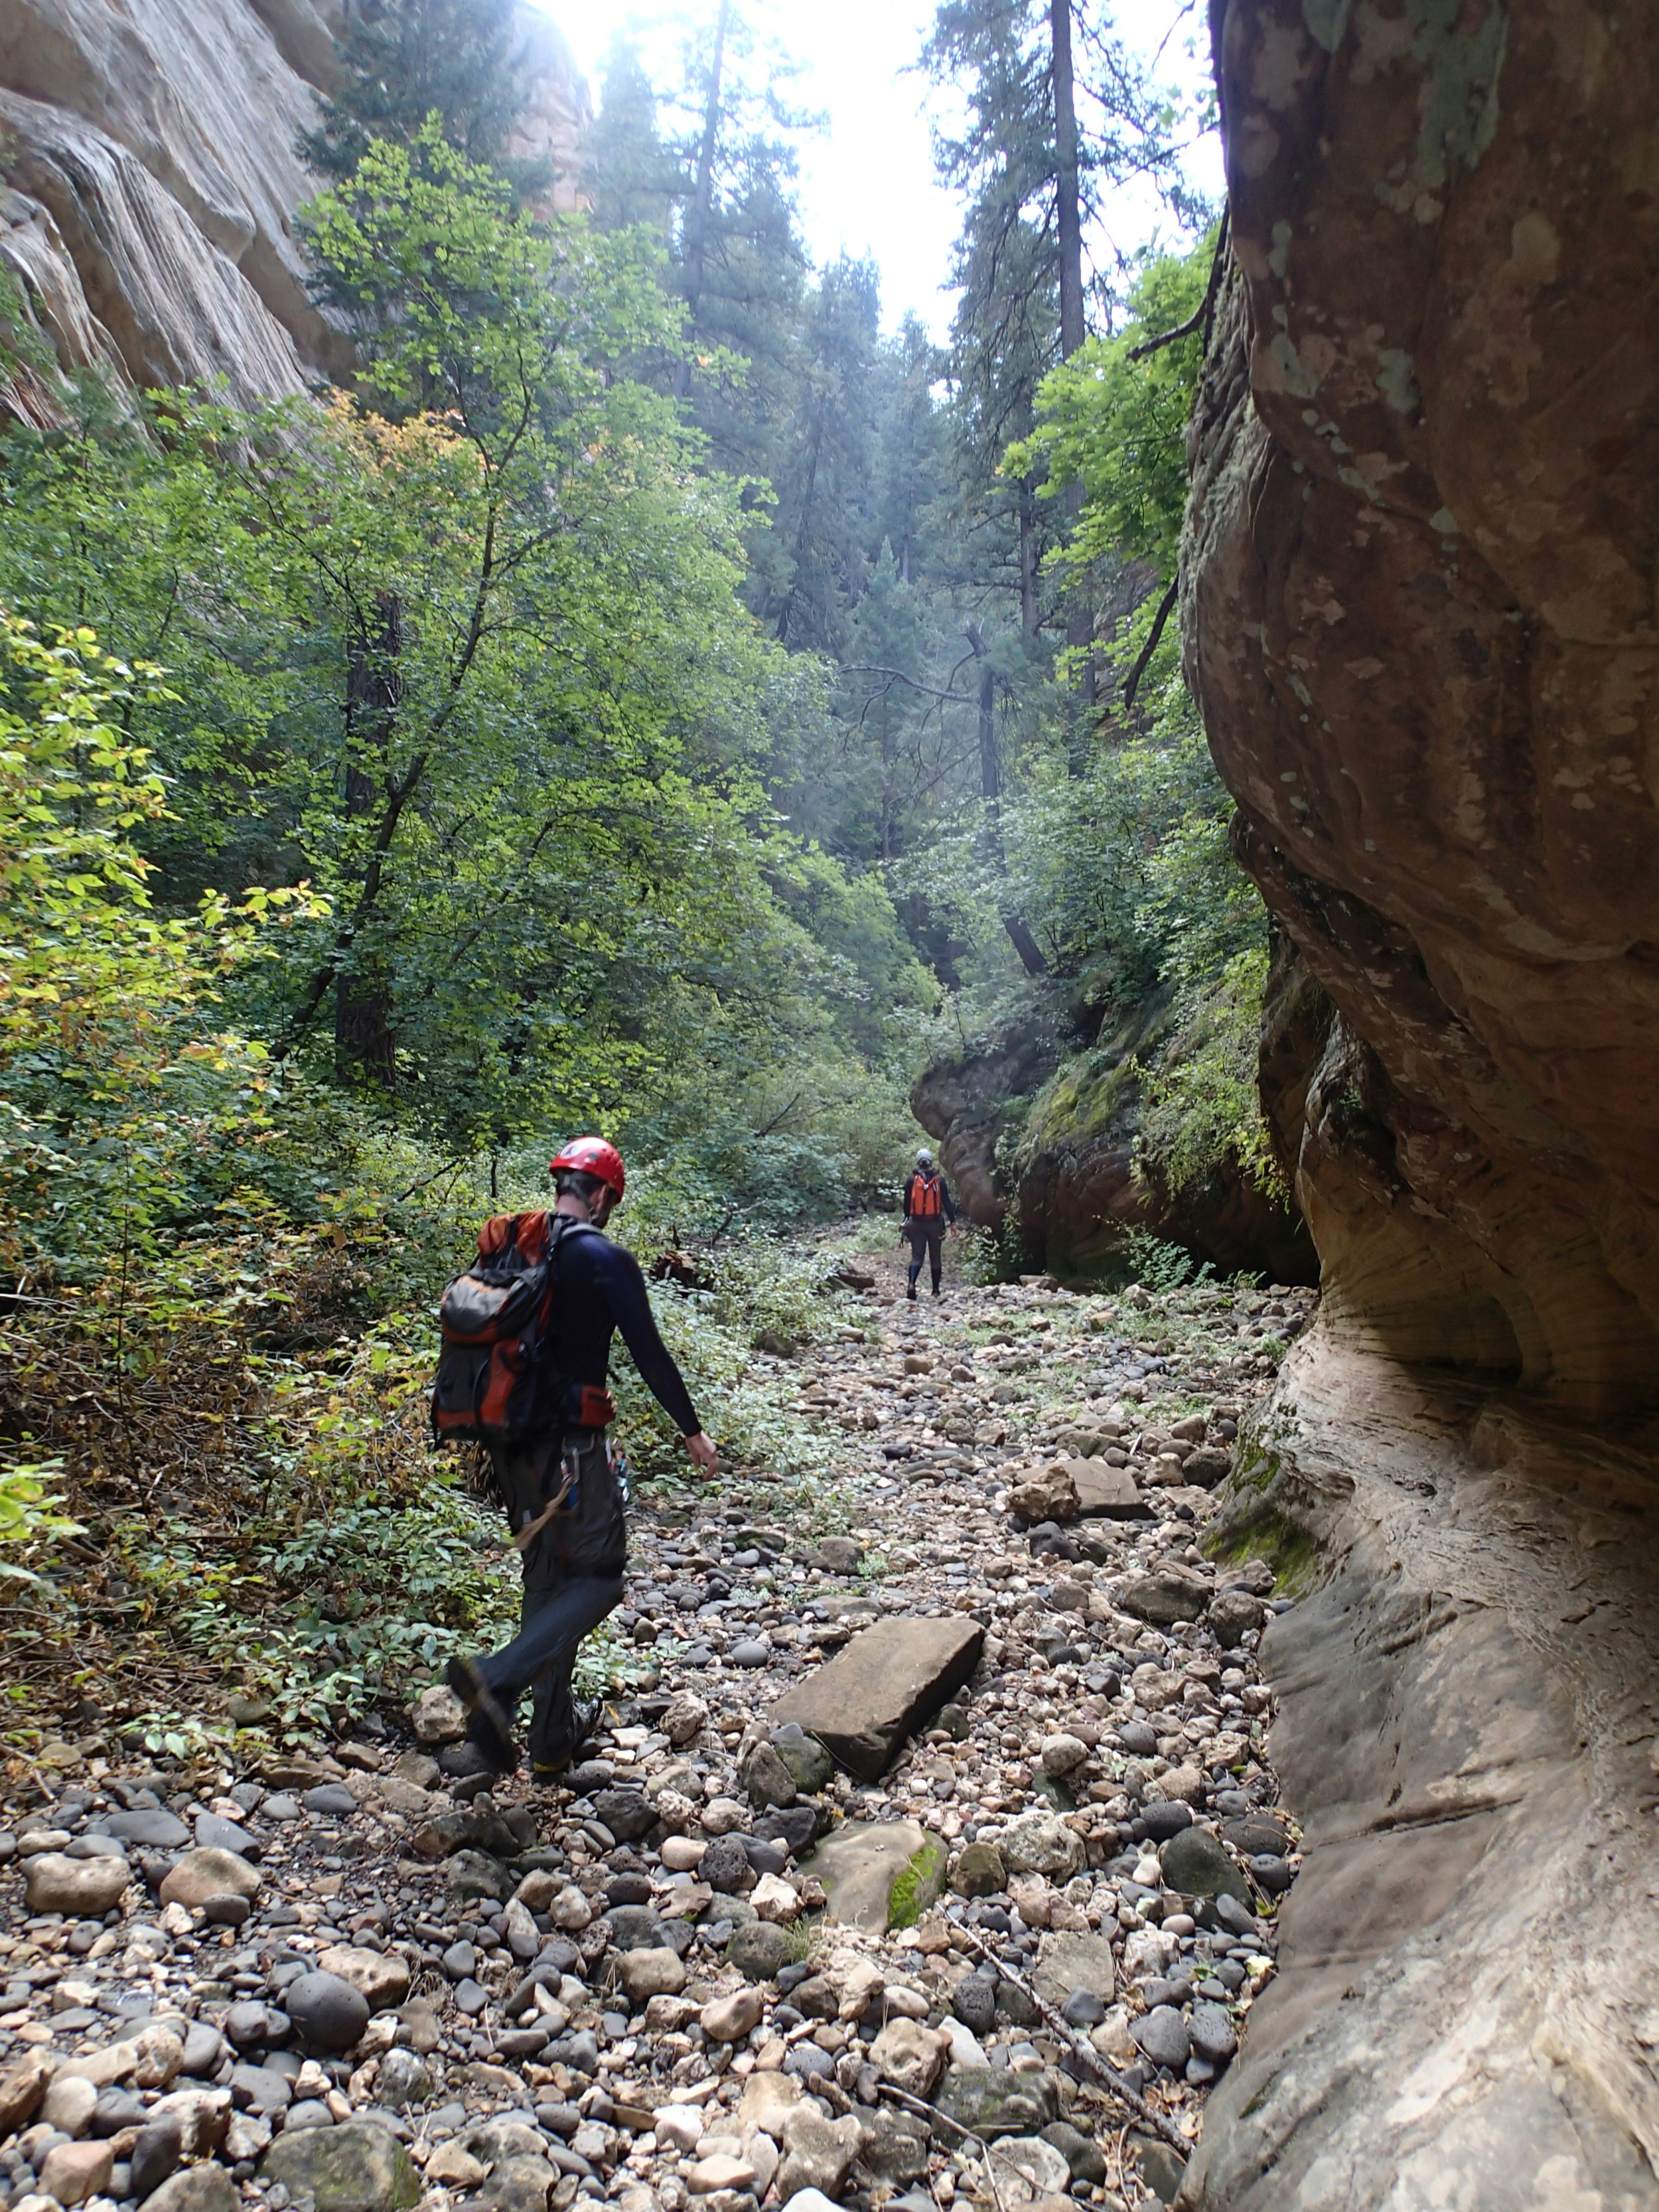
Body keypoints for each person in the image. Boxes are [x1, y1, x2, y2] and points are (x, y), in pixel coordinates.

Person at [445, 1136, 718, 1780]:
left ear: (562, 1184)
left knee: (548, 1586)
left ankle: (549, 1740)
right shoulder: (602, 1257)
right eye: (610, 1200)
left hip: (508, 1446)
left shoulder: (520, 1248)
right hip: (568, 1451)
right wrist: (692, 1431)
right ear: (599, 1196)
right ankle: (497, 1679)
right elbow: (649, 1351)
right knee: (599, 1579)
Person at [901, 1144, 957, 1300]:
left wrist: (906, 1220)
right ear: (931, 1162)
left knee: (917, 1256)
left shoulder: (911, 1180)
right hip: (935, 1224)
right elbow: (946, 1202)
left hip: (916, 1223)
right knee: (935, 1256)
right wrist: (952, 1222)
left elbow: (907, 1205)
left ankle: (912, 1283)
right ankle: (936, 1290)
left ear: (918, 1162)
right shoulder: (939, 1180)